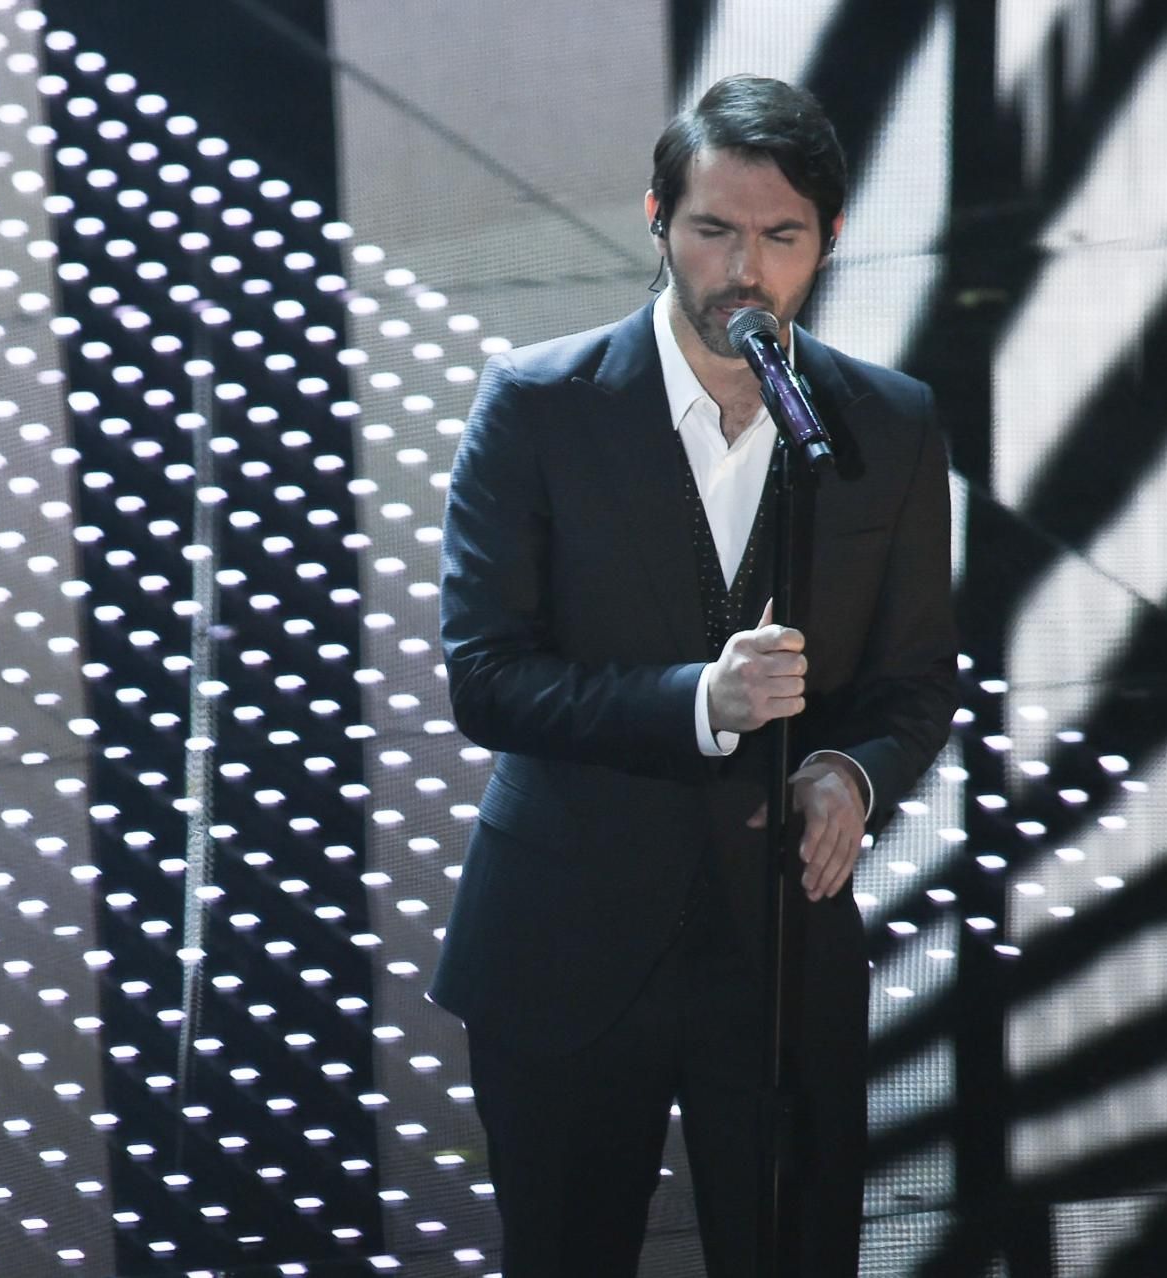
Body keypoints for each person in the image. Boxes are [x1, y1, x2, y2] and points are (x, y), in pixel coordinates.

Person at [430, 75, 957, 1276]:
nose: (744, 271)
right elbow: (487, 677)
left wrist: (851, 774)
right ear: (658, 218)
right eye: (715, 230)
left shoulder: (887, 426)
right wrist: (697, 705)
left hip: (780, 958)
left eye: (782, 238)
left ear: (829, 240)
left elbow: (919, 679)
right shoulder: (537, 405)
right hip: (565, 941)